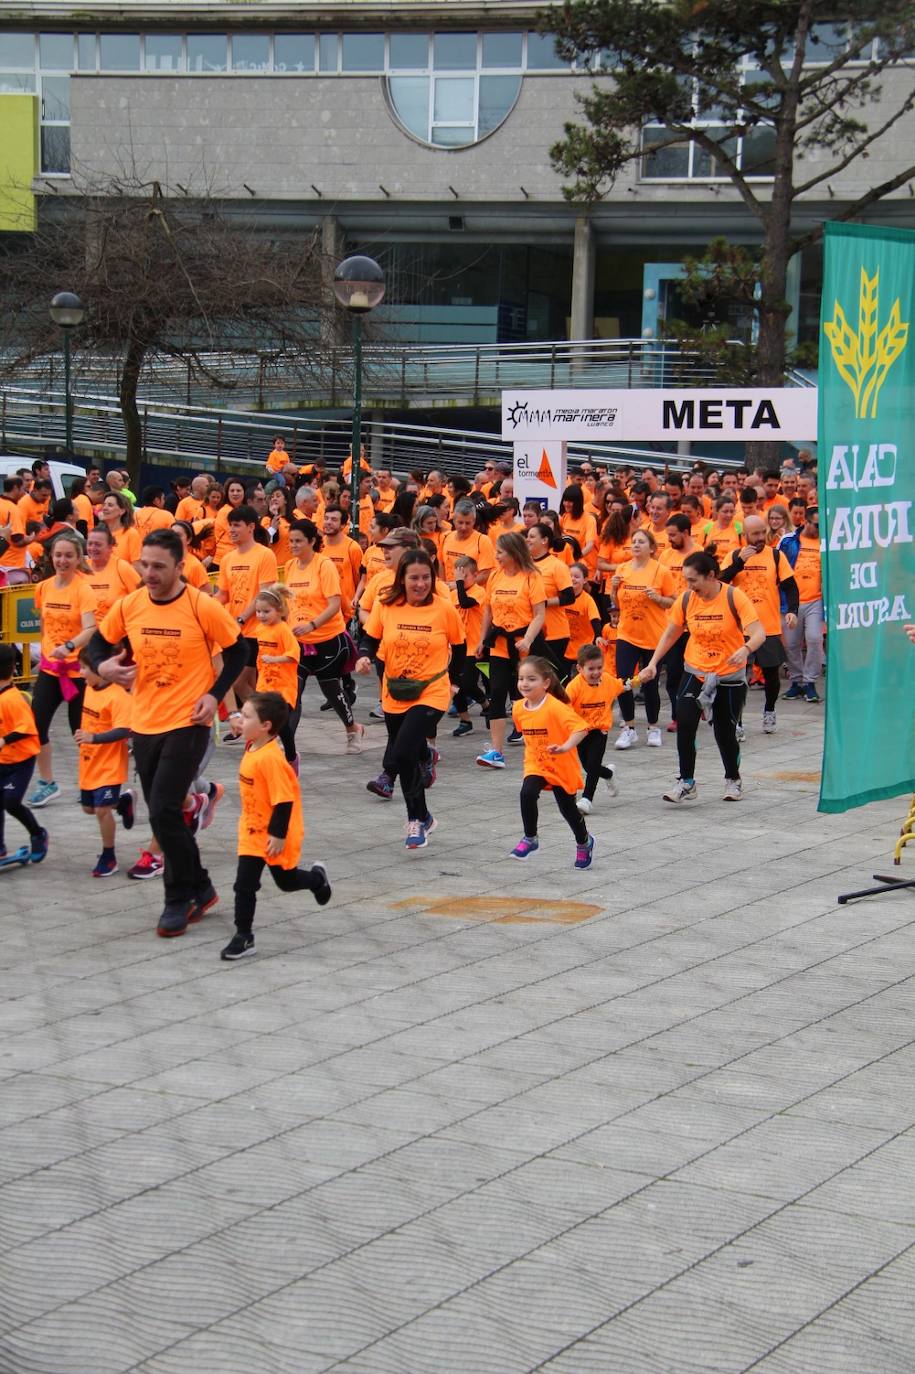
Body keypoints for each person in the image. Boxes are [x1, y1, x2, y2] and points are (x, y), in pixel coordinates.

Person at [85, 527, 247, 937]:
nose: (150, 573)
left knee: (162, 810)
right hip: (144, 722)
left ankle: (177, 899)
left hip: (188, 722)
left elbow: (240, 649)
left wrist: (214, 695)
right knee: (166, 816)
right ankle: (202, 886)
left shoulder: (199, 606)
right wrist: (104, 667)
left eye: (159, 566)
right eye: (145, 565)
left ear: (180, 566)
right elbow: (98, 646)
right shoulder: (131, 604)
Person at [356, 549, 465, 850]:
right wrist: (364, 657)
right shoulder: (387, 605)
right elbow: (370, 638)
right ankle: (425, 814)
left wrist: (454, 685)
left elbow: (461, 646)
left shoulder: (444, 609)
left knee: (401, 751)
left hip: (432, 691)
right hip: (395, 691)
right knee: (407, 753)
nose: (420, 583)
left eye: (426, 578)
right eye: (413, 578)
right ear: (401, 579)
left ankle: (415, 821)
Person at [640, 551, 765, 803]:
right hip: (695, 671)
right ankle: (686, 782)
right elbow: (670, 633)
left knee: (724, 731)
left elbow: (759, 632)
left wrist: (745, 648)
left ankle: (733, 779)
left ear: (711, 575)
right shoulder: (687, 600)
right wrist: (653, 663)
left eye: (693, 580)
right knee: (685, 724)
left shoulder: (733, 596)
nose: (689, 586)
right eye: (686, 580)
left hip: (728, 677)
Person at [220, 692, 332, 961]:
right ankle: (243, 936)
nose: (240, 720)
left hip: (275, 833)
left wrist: (278, 835)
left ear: (265, 726)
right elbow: (241, 725)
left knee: (286, 881)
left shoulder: (270, 759)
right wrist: (237, 718)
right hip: (250, 832)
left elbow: (284, 802)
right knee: (244, 885)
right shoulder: (253, 743)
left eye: (246, 717)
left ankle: (317, 879)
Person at [28, 532, 98, 808]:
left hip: (77, 672)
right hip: (50, 670)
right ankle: (47, 782)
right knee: (36, 726)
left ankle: (89, 782)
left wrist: (68, 646)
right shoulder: (43, 587)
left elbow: (91, 628)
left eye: (69, 555)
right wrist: (46, 651)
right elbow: (44, 624)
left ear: (79, 558)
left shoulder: (84, 589)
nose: (62, 560)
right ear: (51, 557)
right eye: (58, 555)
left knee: (80, 730)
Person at [284, 519, 363, 753]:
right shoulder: (289, 566)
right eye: (291, 541)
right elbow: (287, 602)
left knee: (331, 690)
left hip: (328, 639)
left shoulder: (323, 565)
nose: (294, 545)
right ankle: (289, 746)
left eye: (298, 541)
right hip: (298, 643)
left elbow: (334, 604)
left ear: (311, 541)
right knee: (293, 693)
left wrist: (312, 624)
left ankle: (352, 730)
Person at [509, 656, 594, 869]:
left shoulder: (556, 707)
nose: (525, 684)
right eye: (521, 679)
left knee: (568, 811)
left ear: (546, 683)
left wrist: (565, 747)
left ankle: (584, 841)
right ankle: (530, 838)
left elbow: (581, 728)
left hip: (560, 766)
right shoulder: (518, 709)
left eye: (531, 679)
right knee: (527, 793)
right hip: (536, 764)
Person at [718, 514, 798, 734]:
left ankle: (770, 710)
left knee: (771, 675)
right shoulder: (734, 556)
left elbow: (790, 586)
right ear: (745, 535)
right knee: (738, 677)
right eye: (756, 533)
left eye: (763, 532)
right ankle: (738, 721)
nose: (761, 537)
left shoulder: (775, 556)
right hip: (739, 628)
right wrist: (739, 563)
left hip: (768, 626)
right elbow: (720, 582)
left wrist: (792, 611)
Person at [475, 532, 546, 770]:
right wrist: (482, 640)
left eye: (500, 553)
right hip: (499, 646)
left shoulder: (531, 577)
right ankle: (496, 751)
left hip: (523, 647)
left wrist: (527, 640)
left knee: (528, 695)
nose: (496, 557)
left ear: (514, 553)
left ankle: (539, 743)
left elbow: (539, 615)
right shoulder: (495, 576)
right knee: (497, 693)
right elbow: (487, 610)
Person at [609, 528, 677, 750]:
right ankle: (628, 728)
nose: (636, 545)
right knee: (623, 682)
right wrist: (613, 589)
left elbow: (673, 602)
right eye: (634, 541)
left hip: (653, 635)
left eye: (641, 542)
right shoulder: (622, 568)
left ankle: (653, 727)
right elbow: (616, 604)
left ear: (651, 547)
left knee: (649, 684)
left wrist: (657, 598)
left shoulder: (661, 571)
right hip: (627, 633)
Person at [74, 653, 135, 877]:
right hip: (89, 762)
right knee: (89, 808)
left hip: (110, 765)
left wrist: (94, 738)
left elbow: (124, 729)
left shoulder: (119, 697)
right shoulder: (90, 688)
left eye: (84, 668)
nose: (80, 673)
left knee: (101, 810)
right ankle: (123, 802)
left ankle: (109, 857)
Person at [216, 505, 279, 712]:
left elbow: (264, 594)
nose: (232, 530)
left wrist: (241, 618)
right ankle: (264, 724)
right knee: (248, 685)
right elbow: (223, 594)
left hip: (255, 631)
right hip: (233, 632)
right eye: (230, 526)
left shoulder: (264, 555)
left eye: (236, 526)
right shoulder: (227, 559)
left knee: (238, 683)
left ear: (251, 527)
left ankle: (266, 722)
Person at [566, 643, 631, 814]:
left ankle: (587, 799)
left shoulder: (608, 681)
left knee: (593, 764)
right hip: (580, 732)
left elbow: (623, 685)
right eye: (591, 669)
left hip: (599, 730)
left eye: (599, 668)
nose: (596, 672)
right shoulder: (574, 687)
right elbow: (563, 708)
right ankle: (608, 773)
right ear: (580, 668)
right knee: (588, 767)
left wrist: (641, 679)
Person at [0, 643, 48, 865]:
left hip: (20, 761)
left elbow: (26, 728)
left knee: (10, 802)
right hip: (2, 759)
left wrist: (3, 740)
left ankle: (38, 833)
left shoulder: (12, 699)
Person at [243, 584, 302, 765]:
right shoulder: (260, 629)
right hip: (264, 685)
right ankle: (255, 754)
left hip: (283, 688)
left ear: (279, 610)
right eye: (258, 611)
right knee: (258, 718)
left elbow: (294, 655)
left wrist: (275, 660)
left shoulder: (283, 630)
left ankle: (292, 758)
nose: (261, 615)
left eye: (266, 611)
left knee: (282, 727)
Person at [782, 506, 824, 703]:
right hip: (792, 602)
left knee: (815, 639)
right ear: (806, 522)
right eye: (817, 524)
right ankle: (796, 681)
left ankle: (810, 682)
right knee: (791, 644)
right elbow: (778, 566)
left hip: (815, 599)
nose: (820, 528)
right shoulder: (789, 540)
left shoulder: (826, 542)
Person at [450, 554, 487, 737]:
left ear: (475, 575)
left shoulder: (478, 592)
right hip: (455, 648)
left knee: (468, 683)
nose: (461, 580)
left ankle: (485, 704)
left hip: (474, 646)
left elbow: (465, 603)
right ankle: (465, 720)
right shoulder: (452, 595)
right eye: (458, 576)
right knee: (454, 685)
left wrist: (457, 584)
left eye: (464, 576)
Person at [85, 525, 142, 620]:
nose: (92, 548)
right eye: (90, 544)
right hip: (86, 629)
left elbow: (141, 598)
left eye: (98, 544)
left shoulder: (122, 568)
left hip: (116, 629)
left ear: (110, 547)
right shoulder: (81, 568)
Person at [440, 499, 495, 586]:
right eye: (460, 522)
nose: (463, 527)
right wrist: (443, 586)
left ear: (474, 521)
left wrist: (459, 585)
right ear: (453, 520)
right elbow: (441, 564)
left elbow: (485, 574)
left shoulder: (483, 541)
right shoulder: (445, 537)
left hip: (472, 595)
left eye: (468, 523)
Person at [563, 562, 602, 674]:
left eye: (576, 576)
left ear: (585, 580)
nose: (572, 579)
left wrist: (598, 636)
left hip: (583, 649)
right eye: (570, 576)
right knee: (563, 681)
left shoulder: (588, 600)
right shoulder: (560, 597)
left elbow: (595, 619)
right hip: (564, 647)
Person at [98, 492, 141, 566]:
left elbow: (136, 566)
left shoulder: (131, 534)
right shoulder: (99, 534)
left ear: (122, 511)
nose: (104, 508)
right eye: (104, 505)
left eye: (110, 505)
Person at [211, 478, 247, 567]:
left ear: (244, 493)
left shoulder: (245, 510)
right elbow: (237, 535)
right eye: (232, 491)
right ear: (227, 493)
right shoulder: (225, 511)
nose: (235, 493)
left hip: (239, 559)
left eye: (238, 490)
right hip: (222, 561)